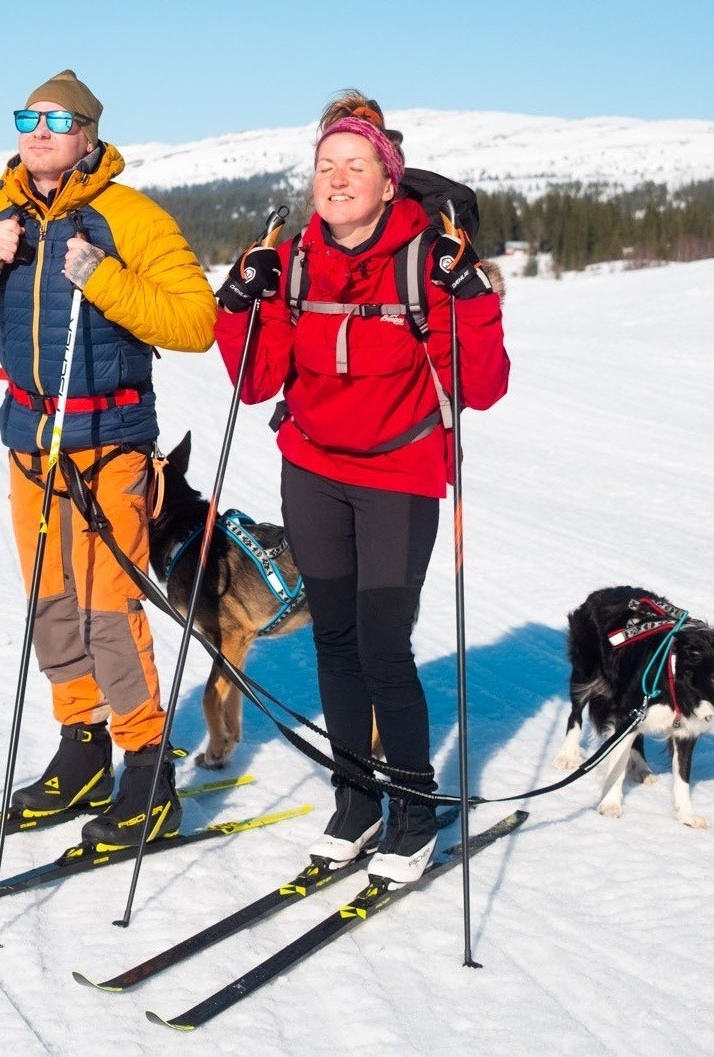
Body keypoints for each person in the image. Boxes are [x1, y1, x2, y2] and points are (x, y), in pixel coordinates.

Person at [212, 93, 509, 883]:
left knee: (382, 646)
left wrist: (472, 301)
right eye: (326, 167)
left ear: (389, 182)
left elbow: (480, 388)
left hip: (398, 474)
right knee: (333, 639)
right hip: (311, 468)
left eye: (357, 167)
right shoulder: (294, 260)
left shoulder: (427, 260)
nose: (338, 180)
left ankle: (411, 808)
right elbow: (255, 379)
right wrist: (238, 304)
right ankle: (354, 801)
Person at [0, 70, 217, 850]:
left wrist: (103, 276)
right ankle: (80, 749)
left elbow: (196, 324)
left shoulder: (131, 218)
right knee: (51, 603)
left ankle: (147, 768)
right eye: (28, 116)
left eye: (58, 119)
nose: (39, 129)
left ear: (89, 134)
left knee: (106, 608)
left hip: (110, 446)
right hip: (31, 444)